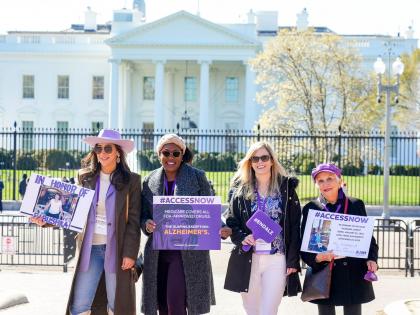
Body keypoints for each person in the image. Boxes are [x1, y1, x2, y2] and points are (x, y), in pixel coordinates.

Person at [32, 129, 141, 315]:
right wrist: (46, 221)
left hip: (117, 249)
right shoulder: (85, 177)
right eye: (99, 148)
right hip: (90, 249)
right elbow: (71, 211)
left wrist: (130, 253)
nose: (103, 153)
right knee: (79, 305)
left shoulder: (131, 181)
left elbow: (133, 221)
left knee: (118, 305)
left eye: (108, 148)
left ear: (118, 153)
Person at [140, 133, 215, 315]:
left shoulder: (198, 177)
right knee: (162, 305)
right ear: (159, 155)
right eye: (166, 153)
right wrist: (147, 224)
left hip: (187, 254)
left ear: (182, 155)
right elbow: (143, 216)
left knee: (176, 304)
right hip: (158, 252)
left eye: (176, 153)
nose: (171, 158)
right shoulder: (149, 180)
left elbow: (208, 216)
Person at [224, 141, 302, 315]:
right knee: (252, 311)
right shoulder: (240, 189)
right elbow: (231, 220)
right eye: (255, 158)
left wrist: (293, 260)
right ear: (250, 162)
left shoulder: (287, 188)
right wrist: (241, 236)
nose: (260, 162)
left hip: (277, 259)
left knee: (268, 311)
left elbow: (296, 225)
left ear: (272, 160)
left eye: (264, 157)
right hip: (249, 258)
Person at [300, 163, 378, 315]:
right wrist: (317, 258)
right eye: (320, 181)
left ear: (339, 180)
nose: (326, 184)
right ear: (316, 184)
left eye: (330, 178)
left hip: (353, 271)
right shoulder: (311, 208)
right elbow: (304, 246)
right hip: (324, 273)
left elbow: (368, 239)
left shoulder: (355, 205)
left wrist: (372, 259)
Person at [183, 146, 232, 240]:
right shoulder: (159, 180)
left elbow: (209, 208)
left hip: (195, 244)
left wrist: (222, 226)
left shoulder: (198, 179)